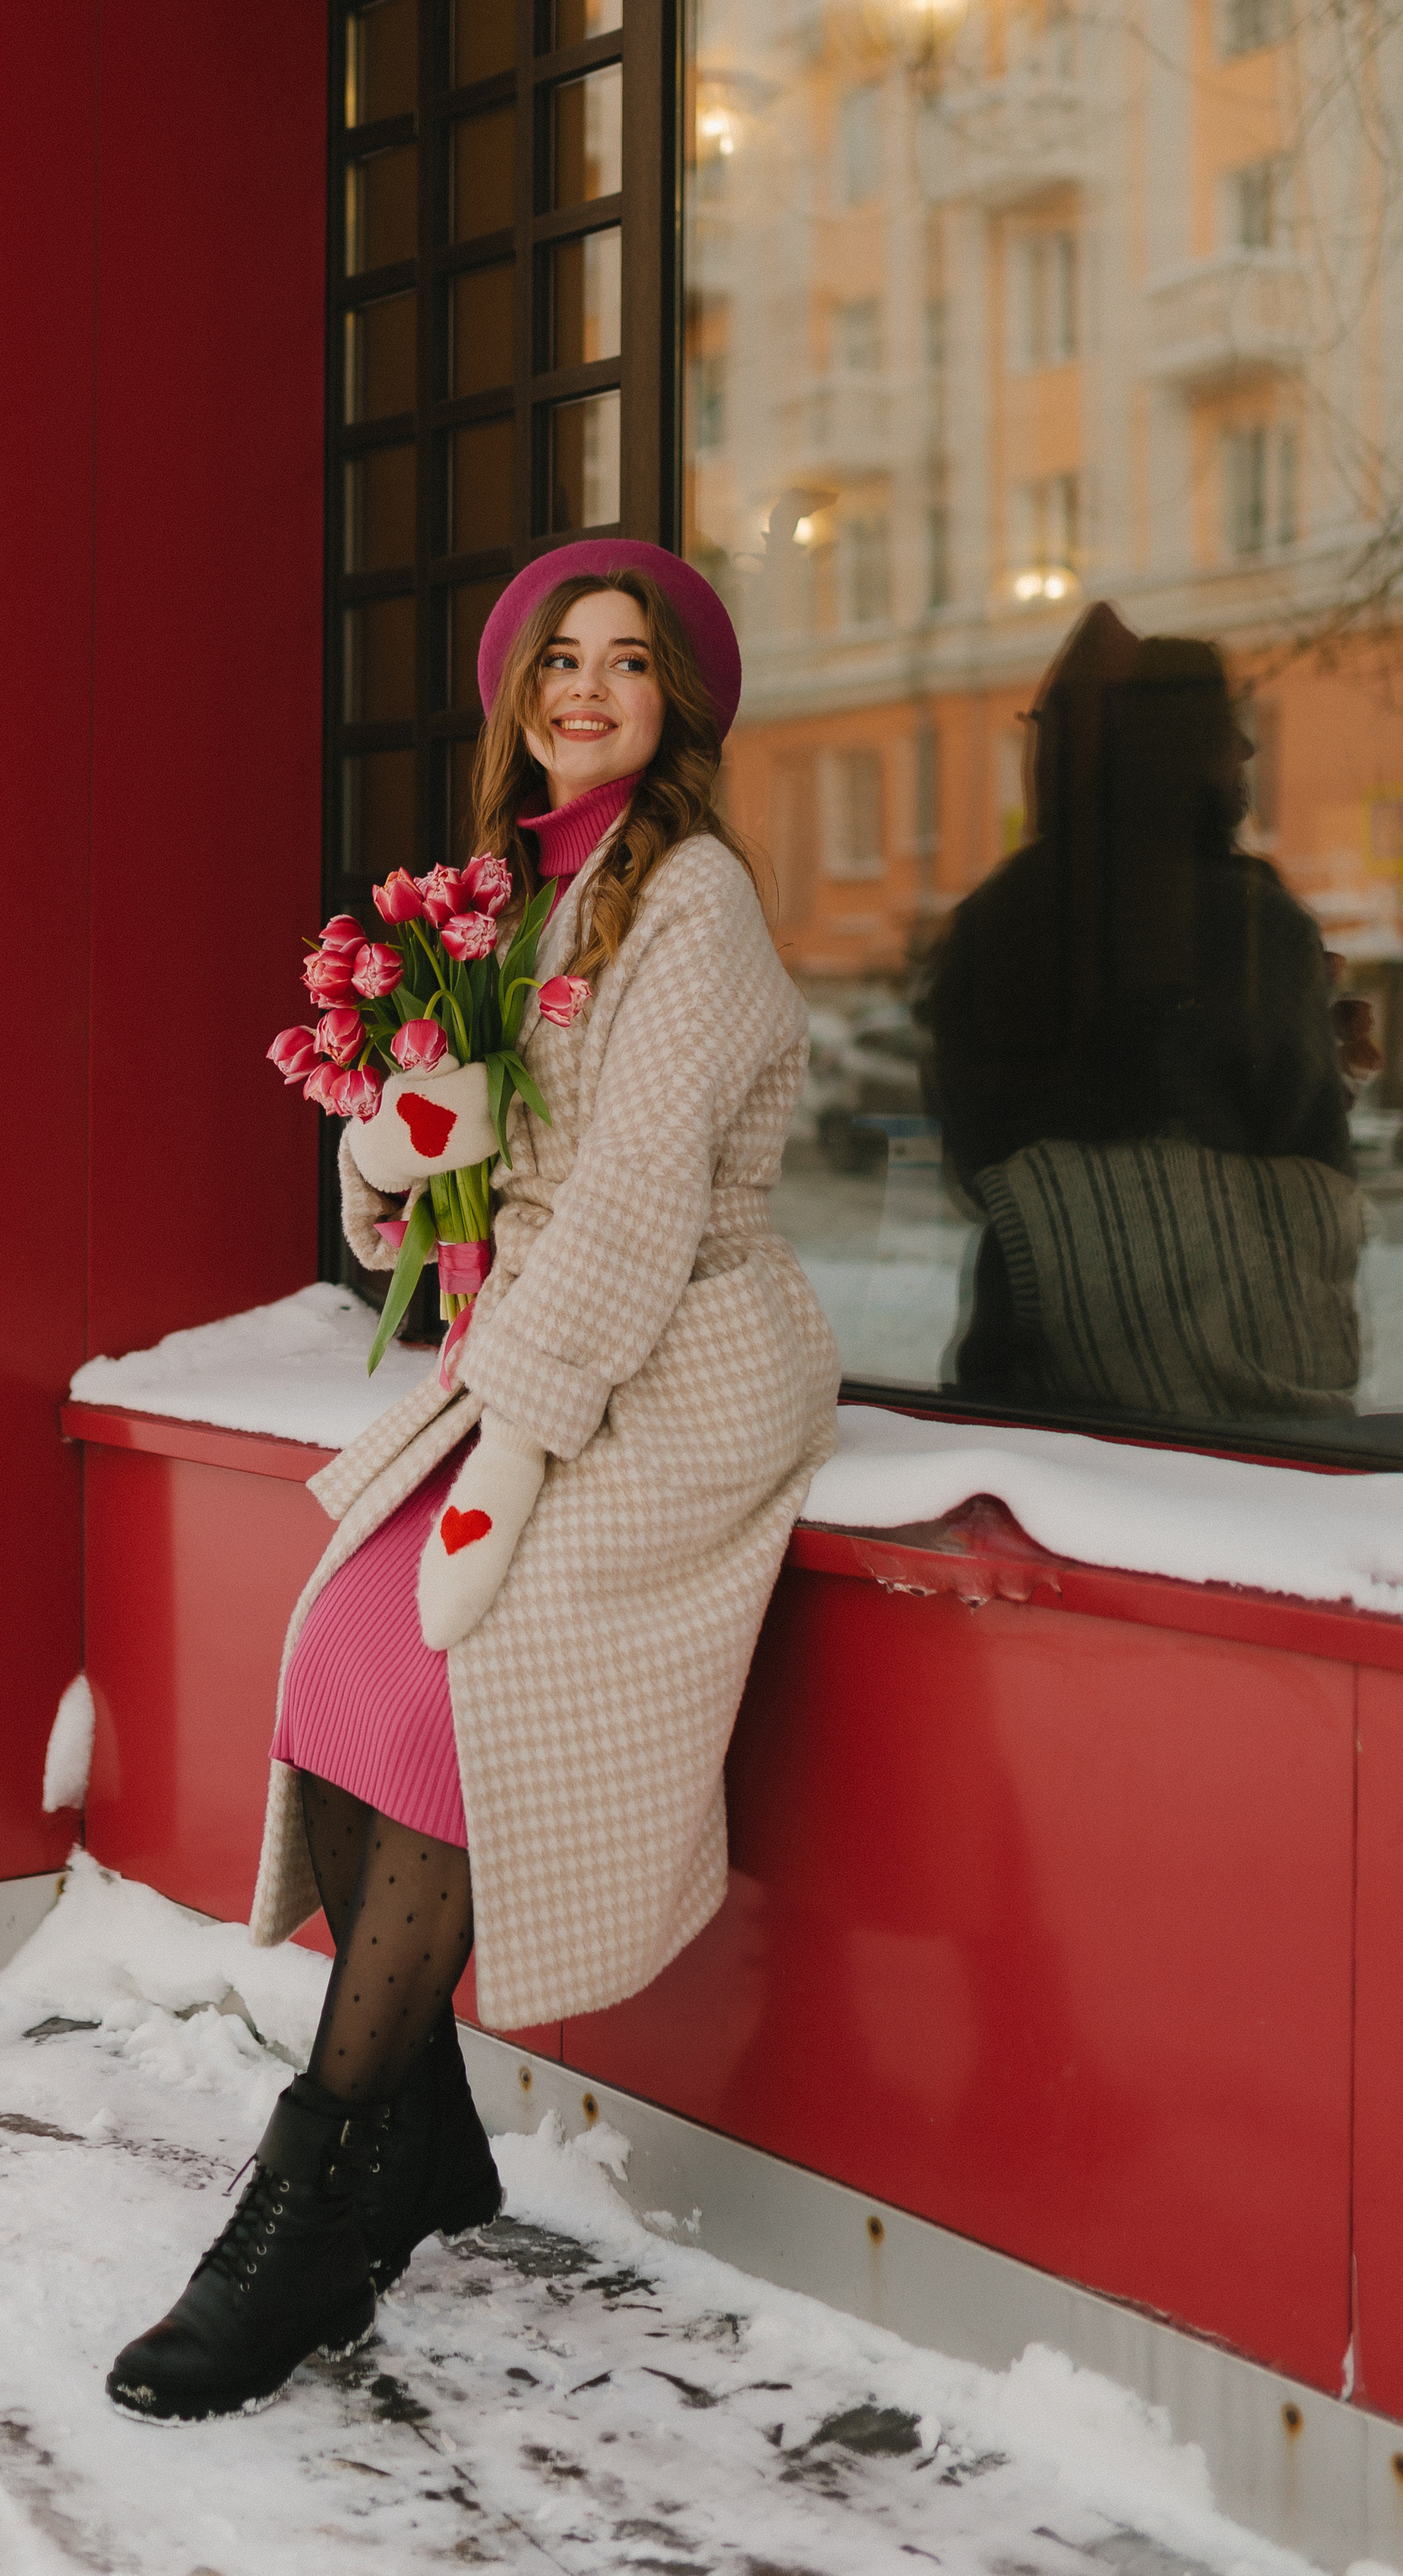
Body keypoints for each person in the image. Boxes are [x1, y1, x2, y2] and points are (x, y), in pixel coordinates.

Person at [106, 540, 842, 2420]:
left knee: (450, 1697)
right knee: (348, 1664)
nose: (583, 690)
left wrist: (512, 1444)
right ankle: (420, 2143)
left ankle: (304, 2195)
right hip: (524, 1349)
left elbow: (634, 1202)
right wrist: (391, 1136)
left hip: (667, 1366)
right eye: (553, 665)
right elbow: (446, 1195)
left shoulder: (688, 903)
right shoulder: (505, 900)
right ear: (513, 703)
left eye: (624, 662)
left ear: (674, 700)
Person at [922, 601, 1363, 1427]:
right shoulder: (1251, 924)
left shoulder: (998, 916)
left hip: (1024, 1371)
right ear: (1174, 744)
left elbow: (976, 1151)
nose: (1245, 747)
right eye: (1223, 725)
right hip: (1238, 1389)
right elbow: (1315, 1163)